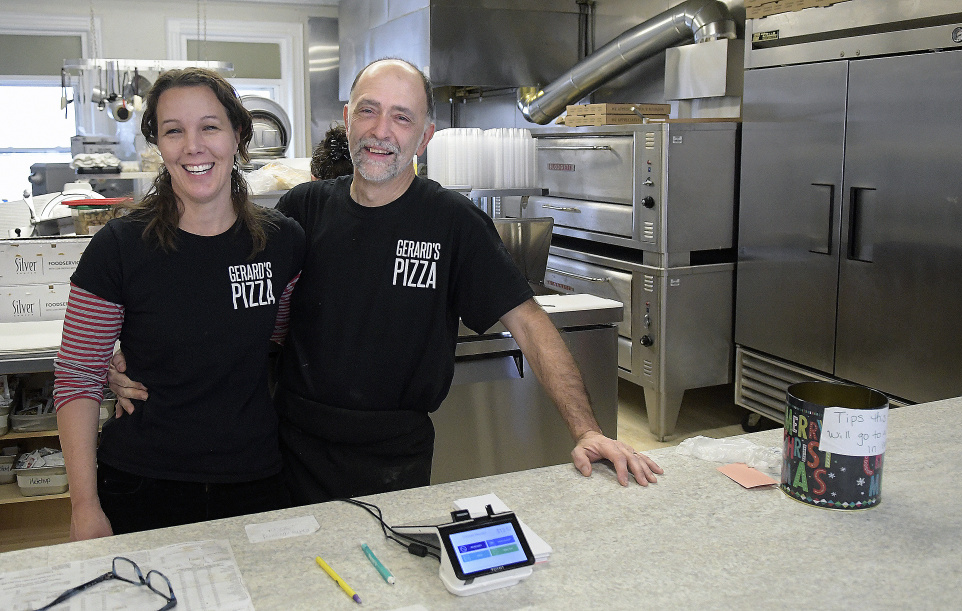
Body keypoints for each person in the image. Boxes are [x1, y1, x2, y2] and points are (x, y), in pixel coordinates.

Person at [112, 58, 662, 505]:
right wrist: (129, 355)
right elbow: (227, 300)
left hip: (394, 453)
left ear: (424, 136)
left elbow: (531, 323)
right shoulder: (304, 208)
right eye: (369, 112)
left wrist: (587, 429)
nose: (381, 131)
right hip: (291, 444)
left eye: (402, 117)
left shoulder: (452, 222)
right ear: (348, 118)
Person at [54, 67, 306, 540]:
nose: (193, 146)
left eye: (209, 126)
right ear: (159, 144)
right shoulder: (118, 247)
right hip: (142, 481)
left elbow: (278, 338)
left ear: (238, 135)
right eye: (174, 131)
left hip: (256, 479)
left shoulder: (281, 242)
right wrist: (84, 508)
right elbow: (77, 376)